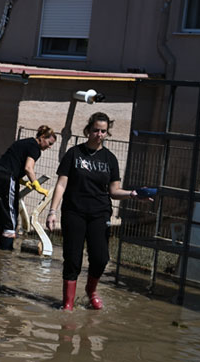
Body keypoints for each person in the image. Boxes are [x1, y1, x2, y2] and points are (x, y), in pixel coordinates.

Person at [46, 112, 152, 311]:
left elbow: (113, 191)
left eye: (103, 131)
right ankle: (67, 303)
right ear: (88, 130)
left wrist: (133, 194)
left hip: (100, 213)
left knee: (101, 257)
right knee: (72, 258)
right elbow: (61, 184)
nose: (99, 134)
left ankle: (91, 290)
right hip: (74, 211)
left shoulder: (110, 159)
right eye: (96, 130)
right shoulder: (74, 154)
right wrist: (52, 211)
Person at [0, 125, 57, 250]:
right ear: (42, 137)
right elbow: (28, 168)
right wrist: (37, 185)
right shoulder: (35, 148)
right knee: (10, 213)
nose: (50, 146)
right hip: (6, 176)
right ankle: (6, 252)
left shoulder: (24, 142)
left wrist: (22, 181)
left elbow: (14, 161)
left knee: (1, 211)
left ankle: (3, 246)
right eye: (49, 142)